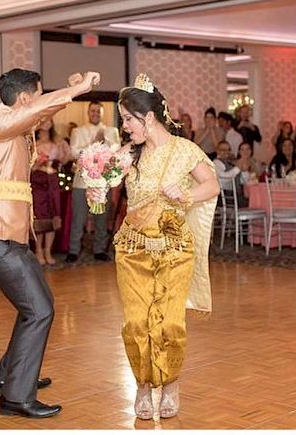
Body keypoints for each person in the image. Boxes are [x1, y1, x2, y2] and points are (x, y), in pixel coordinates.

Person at [0, 68, 101, 419]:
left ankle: (9, 375)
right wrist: (74, 92)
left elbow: (34, 113)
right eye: (38, 96)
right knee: (39, 310)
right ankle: (15, 397)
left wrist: (66, 90)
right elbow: (32, 113)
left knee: (39, 306)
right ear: (25, 98)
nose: (40, 103)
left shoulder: (15, 123)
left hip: (7, 236)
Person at [88, 74, 219, 420]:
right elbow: (101, 180)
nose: (125, 126)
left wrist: (187, 194)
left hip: (175, 249)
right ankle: (143, 386)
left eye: (128, 119)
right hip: (133, 249)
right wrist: (98, 181)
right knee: (135, 323)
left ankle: (171, 383)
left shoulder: (184, 150)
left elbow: (212, 185)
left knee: (170, 324)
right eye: (123, 120)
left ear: (148, 118)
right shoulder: (129, 153)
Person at [66, 101, 121, 263]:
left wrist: (105, 144)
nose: (95, 113)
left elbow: (115, 153)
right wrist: (93, 144)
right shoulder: (78, 131)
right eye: (93, 111)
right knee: (78, 217)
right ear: (88, 113)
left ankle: (99, 249)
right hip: (81, 182)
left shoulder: (112, 131)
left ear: (102, 113)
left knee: (101, 218)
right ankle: (73, 250)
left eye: (98, 111)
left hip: (103, 183)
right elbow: (74, 153)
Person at [31, 117, 71, 265]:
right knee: (41, 216)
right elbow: (27, 166)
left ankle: (48, 250)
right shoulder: (32, 142)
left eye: (50, 119)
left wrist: (65, 150)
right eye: (44, 119)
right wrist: (37, 163)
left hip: (53, 179)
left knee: (53, 214)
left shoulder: (57, 141)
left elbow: (65, 160)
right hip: (37, 180)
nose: (47, 122)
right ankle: (38, 251)